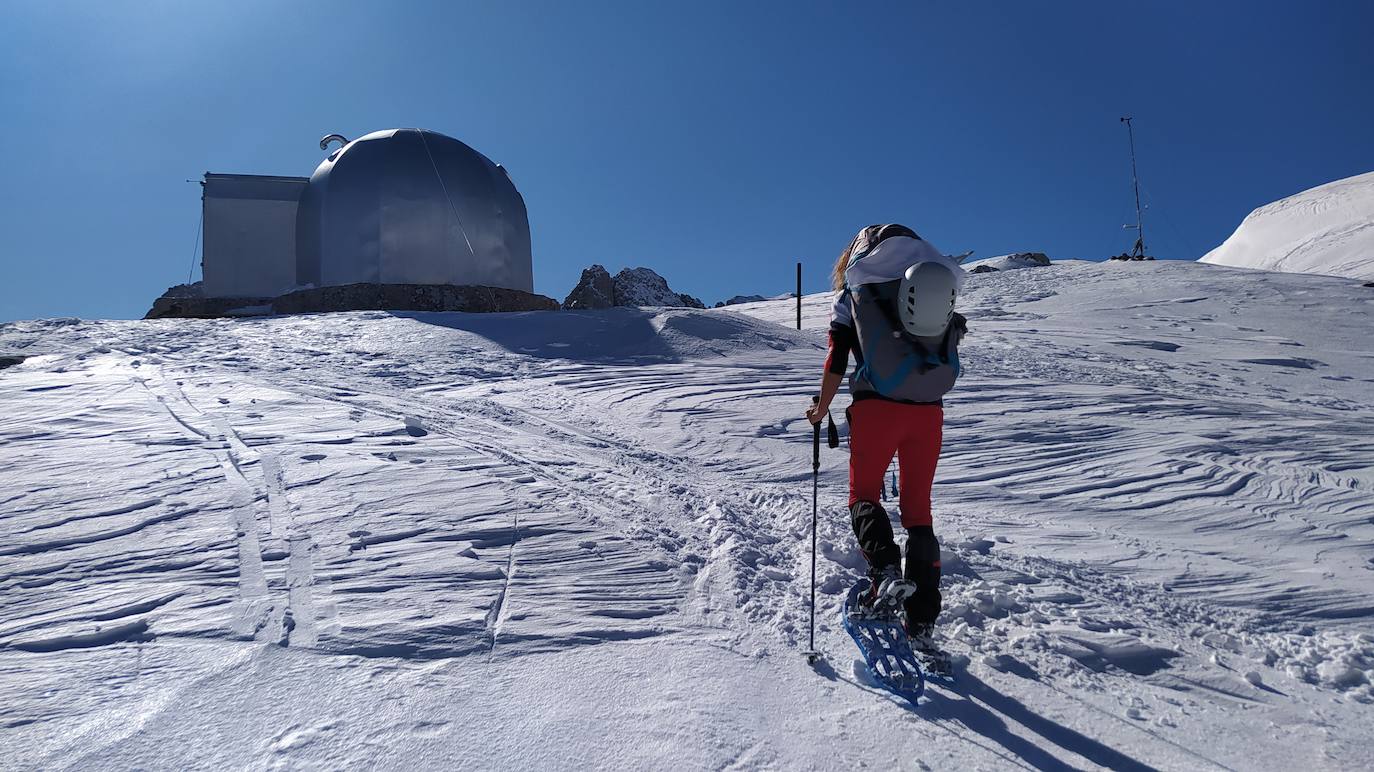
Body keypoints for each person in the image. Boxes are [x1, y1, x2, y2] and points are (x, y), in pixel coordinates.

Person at [806, 224, 966, 643]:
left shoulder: (855, 292)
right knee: (918, 513)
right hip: (928, 413)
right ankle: (923, 619)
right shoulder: (935, 281)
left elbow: (836, 358)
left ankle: (885, 575)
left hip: (876, 407)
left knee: (863, 495)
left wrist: (821, 407)